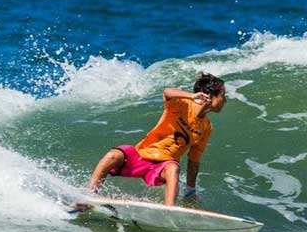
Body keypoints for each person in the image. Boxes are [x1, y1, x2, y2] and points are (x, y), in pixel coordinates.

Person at [87, 72, 226, 206]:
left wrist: (190, 191)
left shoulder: (207, 127)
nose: (225, 100)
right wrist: (192, 96)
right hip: (140, 156)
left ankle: (169, 210)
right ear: (209, 95)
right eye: (222, 95)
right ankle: (91, 195)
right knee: (113, 155)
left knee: (173, 168)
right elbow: (167, 92)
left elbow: (194, 160)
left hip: (162, 167)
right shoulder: (181, 104)